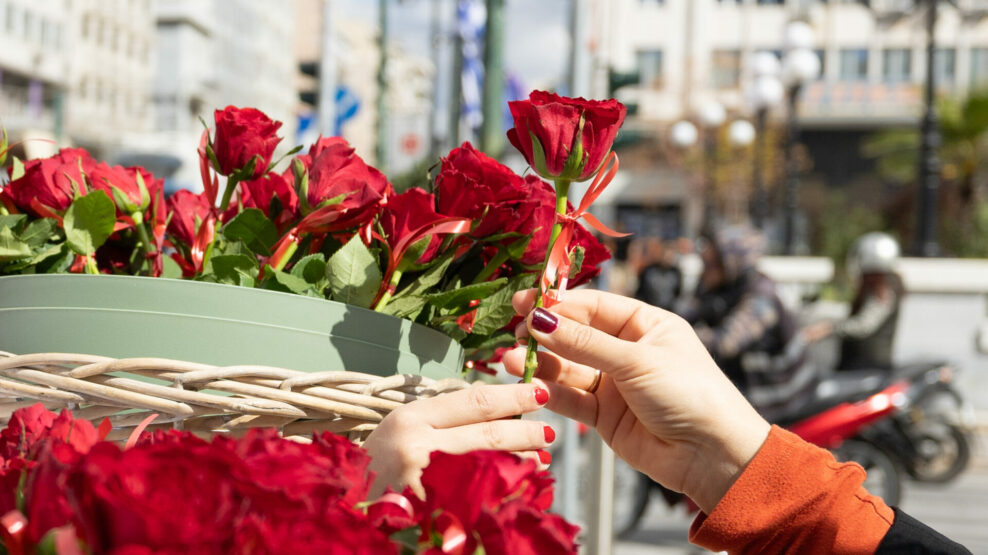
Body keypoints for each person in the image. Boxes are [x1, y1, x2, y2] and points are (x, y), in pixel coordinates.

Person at [366, 288, 969, 553]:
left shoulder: (757, 293)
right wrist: (727, 463)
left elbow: (736, 332)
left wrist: (375, 526)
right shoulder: (730, 287)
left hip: (789, 394)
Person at [804, 232, 904, 371]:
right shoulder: (878, 286)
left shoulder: (885, 289)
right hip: (858, 363)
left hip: (869, 366)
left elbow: (864, 325)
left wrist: (830, 328)